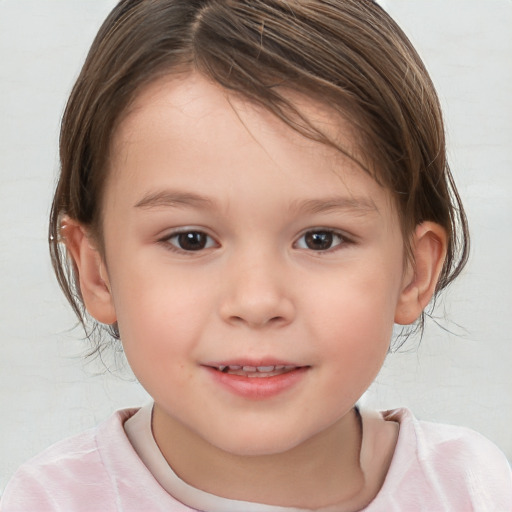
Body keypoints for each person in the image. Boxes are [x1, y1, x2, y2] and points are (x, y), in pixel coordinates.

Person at [2, 0, 511, 510]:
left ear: (414, 272)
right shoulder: (49, 501)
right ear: (97, 272)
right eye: (190, 240)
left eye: (320, 239)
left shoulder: (471, 488)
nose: (257, 300)